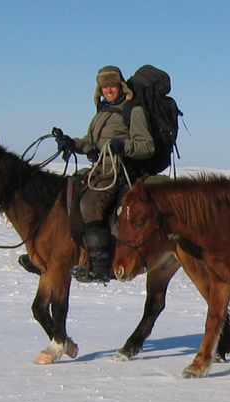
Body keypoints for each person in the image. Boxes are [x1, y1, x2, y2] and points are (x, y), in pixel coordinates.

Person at [53, 65, 156, 282]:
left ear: (120, 86)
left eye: (112, 85)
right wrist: (71, 143)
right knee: (65, 191)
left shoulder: (133, 110)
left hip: (119, 172)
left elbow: (147, 146)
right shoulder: (102, 112)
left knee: (90, 204)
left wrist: (123, 146)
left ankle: (100, 266)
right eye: (104, 86)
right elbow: (90, 143)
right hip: (100, 170)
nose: (108, 89)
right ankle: (56, 255)